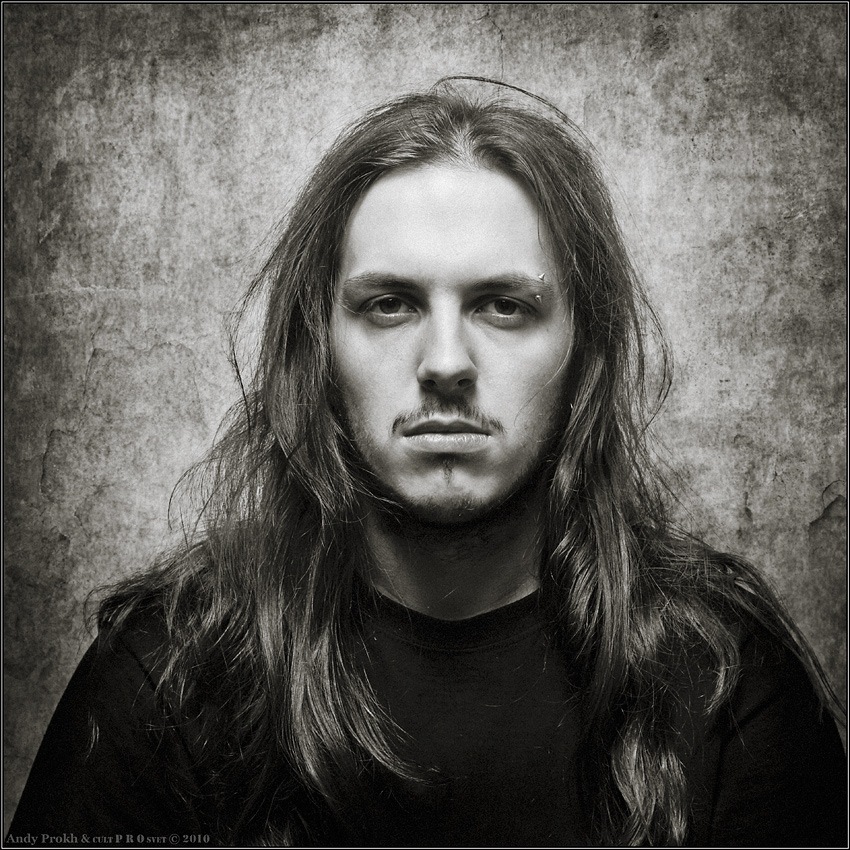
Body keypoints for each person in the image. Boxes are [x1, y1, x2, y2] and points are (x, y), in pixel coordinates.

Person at [7, 79, 846, 847]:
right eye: (390, 304)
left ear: (584, 353)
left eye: (503, 305)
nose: (446, 362)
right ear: (320, 348)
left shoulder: (721, 677)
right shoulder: (171, 675)